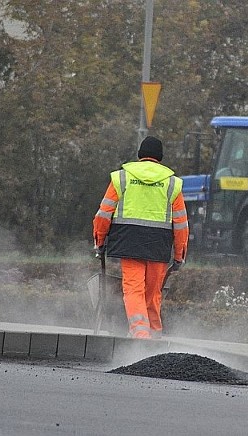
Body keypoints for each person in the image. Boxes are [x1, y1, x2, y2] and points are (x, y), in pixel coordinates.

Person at [93, 136, 189, 339]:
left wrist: (99, 242)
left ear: (139, 156)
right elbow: (181, 224)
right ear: (160, 158)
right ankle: (153, 335)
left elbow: (103, 214)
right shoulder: (172, 184)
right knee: (153, 293)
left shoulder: (121, 178)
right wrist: (179, 255)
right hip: (159, 245)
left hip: (129, 242)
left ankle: (140, 333)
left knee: (133, 290)